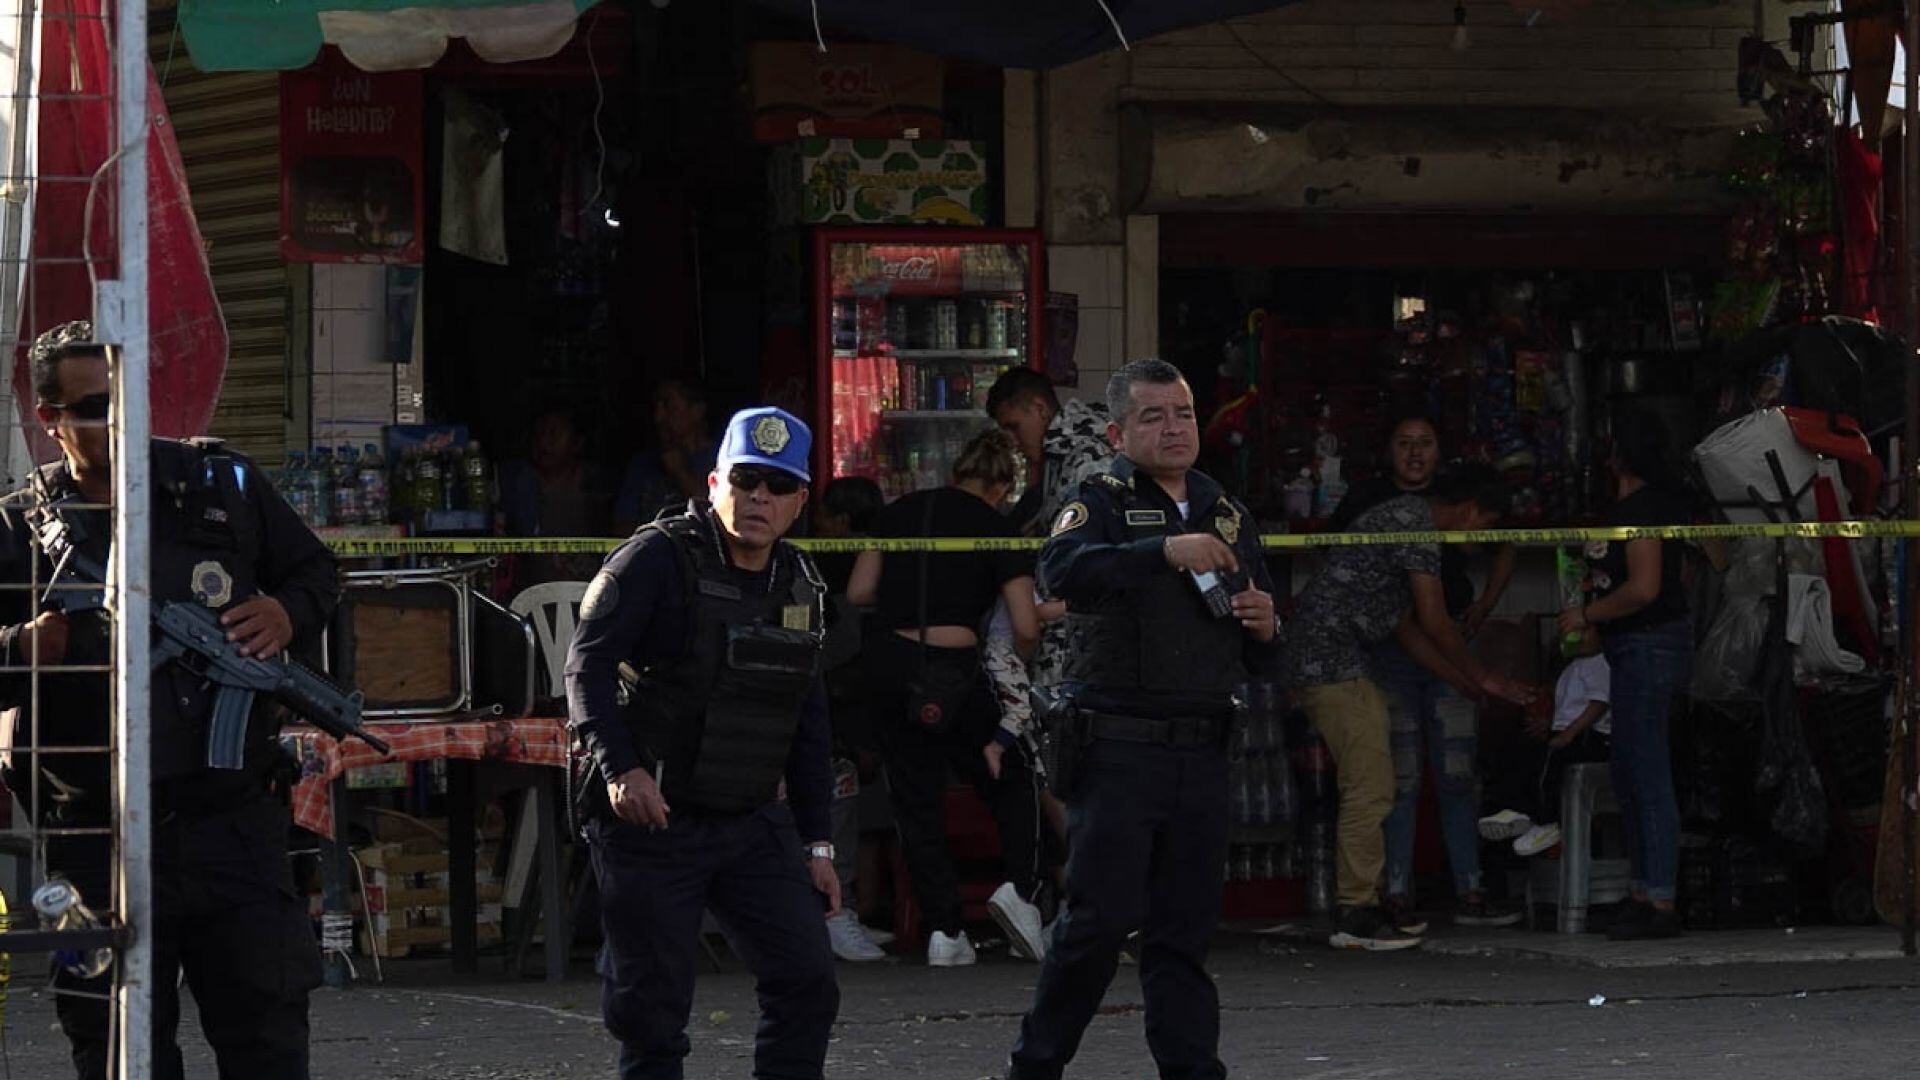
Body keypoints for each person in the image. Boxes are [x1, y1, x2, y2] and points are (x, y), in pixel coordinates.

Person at [0, 321, 339, 1080]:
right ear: (50, 420)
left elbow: (317, 573)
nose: (118, 421)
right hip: (93, 840)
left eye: (129, 400)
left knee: (267, 1038)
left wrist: (286, 613)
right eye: (94, 408)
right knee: (115, 1047)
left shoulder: (220, 484)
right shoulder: (18, 526)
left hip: (232, 824)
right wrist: (21, 646)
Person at [1006, 359, 1277, 1080]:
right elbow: (1060, 573)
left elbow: (1261, 649)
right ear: (1118, 434)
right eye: (1153, 417)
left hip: (1203, 748)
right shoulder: (1099, 498)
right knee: (1096, 926)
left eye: (1183, 413)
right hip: (1119, 748)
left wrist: (1267, 624)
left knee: (1184, 935)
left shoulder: (1226, 511)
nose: (1174, 428)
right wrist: (1160, 551)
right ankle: (1035, 1067)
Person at [565, 406, 841, 1079]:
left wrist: (818, 844)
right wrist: (621, 770)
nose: (760, 498)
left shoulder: (800, 582)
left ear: (800, 501)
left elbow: (807, 717)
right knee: (652, 1017)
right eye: (746, 481)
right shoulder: (656, 559)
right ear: (715, 483)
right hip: (655, 819)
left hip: (749, 818)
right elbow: (586, 667)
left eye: (778, 485)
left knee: (808, 981)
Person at [1283, 463, 1533, 950]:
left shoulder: (1401, 519)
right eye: (1487, 525)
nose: (1482, 539)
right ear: (1470, 511)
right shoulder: (1416, 527)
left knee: (1374, 782)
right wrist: (1483, 676)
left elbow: (1406, 629)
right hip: (1332, 662)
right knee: (1371, 786)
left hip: (1332, 660)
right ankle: (1357, 912)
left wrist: (1463, 682)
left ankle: (1368, 903)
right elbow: (1436, 621)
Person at [848, 428, 1047, 967]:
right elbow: (1026, 626)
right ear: (1002, 487)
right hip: (955, 669)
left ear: (956, 471)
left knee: (915, 801)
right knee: (1013, 775)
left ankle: (944, 932)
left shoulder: (898, 513)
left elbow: (859, 591)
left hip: (891, 664)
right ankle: (1020, 890)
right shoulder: (998, 529)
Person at [1330, 416, 1521, 929]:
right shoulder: (1374, 502)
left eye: (1425, 443)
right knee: (1402, 776)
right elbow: (1412, 617)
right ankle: (1395, 892)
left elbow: (1508, 541)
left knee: (1457, 773)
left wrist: (1485, 604)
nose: (1415, 453)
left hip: (1448, 641)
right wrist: (1477, 675)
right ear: (1387, 451)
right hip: (1396, 649)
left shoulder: (1457, 496)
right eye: (1404, 443)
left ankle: (1470, 890)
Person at [1558, 408, 1695, 941]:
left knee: (1646, 772)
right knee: (1631, 771)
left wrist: (1587, 615)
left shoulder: (1644, 509)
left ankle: (1659, 899)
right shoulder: (1640, 508)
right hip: (1636, 647)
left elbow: (1644, 588)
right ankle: (1643, 892)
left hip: (1649, 645)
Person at [811, 476, 893, 962]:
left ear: (840, 522)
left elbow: (834, 654)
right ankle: (840, 911)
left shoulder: (826, 573)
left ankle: (845, 910)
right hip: (856, 706)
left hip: (847, 707)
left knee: (850, 807)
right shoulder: (878, 562)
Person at [1479, 627, 1612, 858]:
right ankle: (1518, 811)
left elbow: (1599, 704)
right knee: (1521, 752)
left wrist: (1568, 734)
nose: (1576, 637)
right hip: (1568, 733)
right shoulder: (1573, 667)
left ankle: (1548, 823)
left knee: (1550, 761)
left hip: (1589, 737)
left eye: (1584, 631)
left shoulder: (1598, 664)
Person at [499, 407, 615, 587]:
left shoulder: (598, 487)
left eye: (554, 433)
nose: (544, 441)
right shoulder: (517, 484)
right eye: (539, 433)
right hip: (530, 596)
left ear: (577, 442)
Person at [614, 377, 719, 533]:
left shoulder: (722, 461)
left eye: (668, 407)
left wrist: (681, 473)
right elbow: (622, 525)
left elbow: (719, 519)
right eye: (656, 408)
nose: (659, 417)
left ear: (697, 410)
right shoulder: (642, 464)